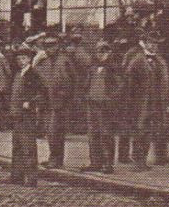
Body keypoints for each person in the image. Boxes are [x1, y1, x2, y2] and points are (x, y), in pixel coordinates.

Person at [123, 35, 169, 170]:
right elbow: (129, 83)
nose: (154, 46)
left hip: (157, 102)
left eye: (156, 44)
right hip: (141, 103)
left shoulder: (160, 61)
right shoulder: (137, 60)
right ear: (145, 44)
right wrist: (131, 102)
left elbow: (166, 83)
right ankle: (138, 162)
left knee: (152, 131)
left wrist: (167, 101)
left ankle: (147, 160)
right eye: (151, 43)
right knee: (140, 131)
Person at [8, 43, 48, 186]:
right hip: (16, 114)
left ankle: (31, 178)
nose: (21, 61)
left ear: (29, 59)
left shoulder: (33, 74)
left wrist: (30, 103)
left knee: (28, 147)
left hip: (27, 115)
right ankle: (16, 176)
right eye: (19, 59)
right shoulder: (18, 74)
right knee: (17, 146)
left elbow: (42, 92)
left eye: (24, 58)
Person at [33, 32, 75, 168]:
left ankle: (56, 159)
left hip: (59, 102)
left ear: (58, 45)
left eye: (52, 45)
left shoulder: (65, 60)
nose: (50, 48)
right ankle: (54, 157)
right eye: (47, 46)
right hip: (46, 102)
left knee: (55, 131)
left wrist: (65, 96)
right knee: (49, 132)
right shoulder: (44, 62)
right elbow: (38, 79)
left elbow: (73, 80)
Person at [82, 40, 123, 172]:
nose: (101, 54)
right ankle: (95, 162)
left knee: (106, 134)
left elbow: (120, 86)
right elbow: (86, 84)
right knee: (93, 134)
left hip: (105, 107)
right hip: (92, 105)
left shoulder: (114, 68)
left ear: (109, 52)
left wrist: (110, 99)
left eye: (104, 51)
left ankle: (107, 163)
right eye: (99, 51)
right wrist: (86, 95)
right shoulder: (92, 68)